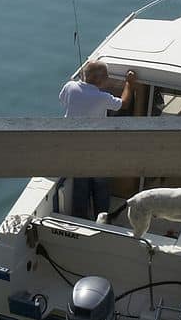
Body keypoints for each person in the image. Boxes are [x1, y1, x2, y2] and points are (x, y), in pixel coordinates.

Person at [59, 61, 137, 219]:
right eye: (106, 77)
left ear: (84, 75)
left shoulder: (69, 86)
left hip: (73, 147)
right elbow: (124, 103)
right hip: (97, 149)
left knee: (80, 184)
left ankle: (79, 218)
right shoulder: (102, 97)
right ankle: (102, 219)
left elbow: (63, 100)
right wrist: (129, 83)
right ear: (100, 80)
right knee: (101, 184)